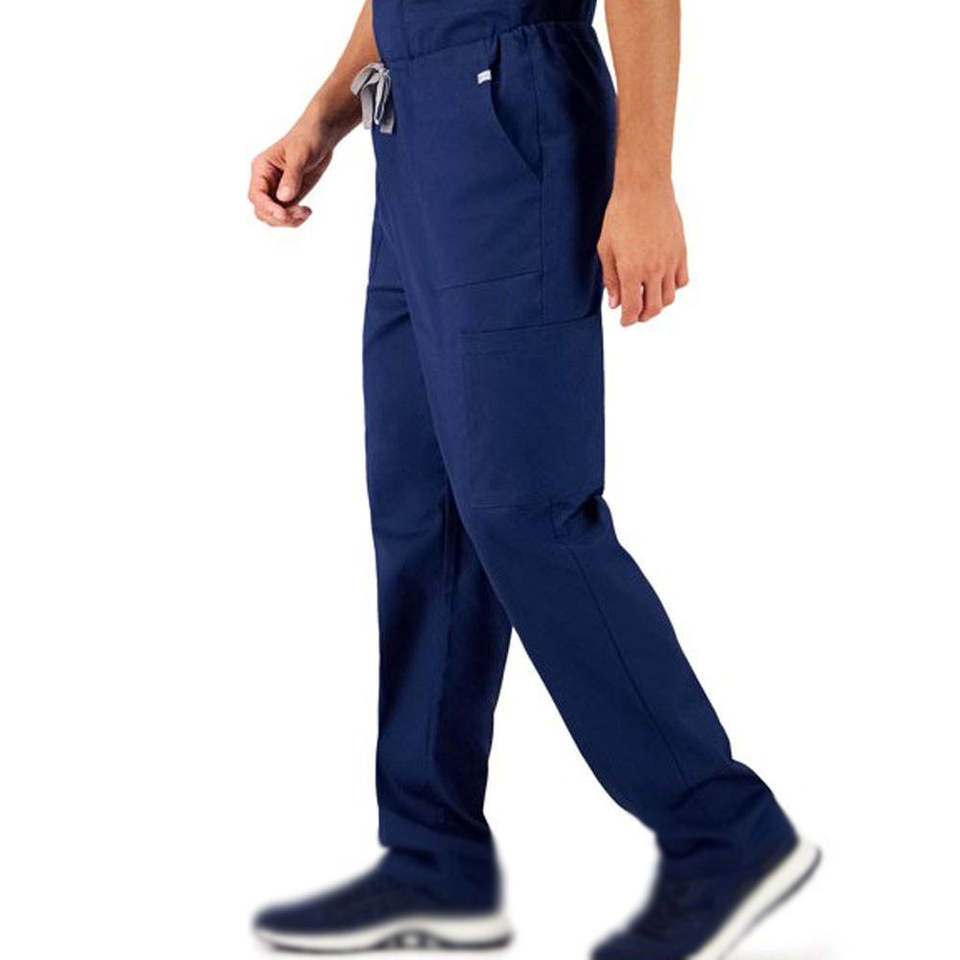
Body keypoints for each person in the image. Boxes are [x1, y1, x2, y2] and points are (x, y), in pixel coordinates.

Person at [247, 1, 819, 956]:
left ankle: (726, 830)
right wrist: (325, 113)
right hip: (411, 135)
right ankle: (433, 857)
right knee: (423, 510)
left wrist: (645, 179)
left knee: (528, 509)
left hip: (506, 117)